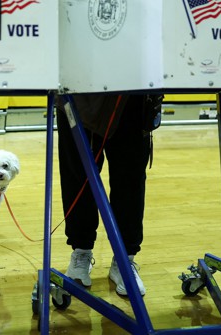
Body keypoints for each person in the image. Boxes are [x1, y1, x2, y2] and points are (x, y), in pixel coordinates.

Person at [56, 93, 162, 296]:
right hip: (79, 95)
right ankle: (81, 252)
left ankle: (125, 260)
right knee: (78, 178)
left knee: (130, 180)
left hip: (132, 97)